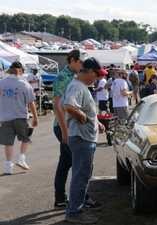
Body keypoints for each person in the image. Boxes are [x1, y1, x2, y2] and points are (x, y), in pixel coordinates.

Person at [52, 50, 99, 209]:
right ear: (72, 60)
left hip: (71, 127)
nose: (82, 65)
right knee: (74, 165)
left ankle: (70, 199)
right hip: (64, 126)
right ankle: (72, 201)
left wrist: (95, 120)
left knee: (72, 164)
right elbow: (59, 106)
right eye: (80, 62)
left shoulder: (74, 78)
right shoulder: (63, 77)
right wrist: (65, 131)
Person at [63, 57, 105, 224]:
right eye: (96, 75)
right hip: (82, 138)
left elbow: (77, 108)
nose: (97, 78)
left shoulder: (81, 86)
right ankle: (74, 213)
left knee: (82, 174)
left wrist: (96, 122)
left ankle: (77, 209)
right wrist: (84, 117)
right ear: (87, 71)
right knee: (80, 175)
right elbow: (69, 106)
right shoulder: (77, 86)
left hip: (84, 138)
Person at [0, 61, 38, 175]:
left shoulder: (1, 83)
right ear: (20, 71)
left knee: (8, 143)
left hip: (4, 117)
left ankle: (8, 166)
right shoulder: (24, 84)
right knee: (25, 138)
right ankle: (21, 158)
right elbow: (31, 103)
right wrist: (35, 117)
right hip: (20, 116)